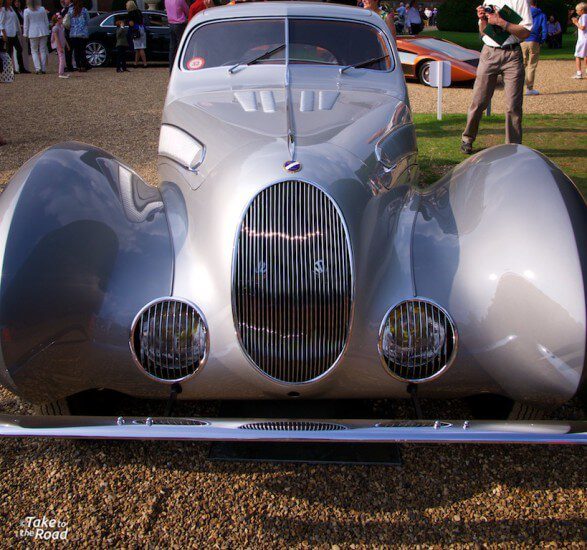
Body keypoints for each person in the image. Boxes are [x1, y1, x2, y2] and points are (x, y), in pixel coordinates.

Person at [460, 1, 532, 154]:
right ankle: (467, 138)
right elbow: (484, 32)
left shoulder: (520, 1)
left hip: (512, 54)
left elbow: (525, 33)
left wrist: (501, 22)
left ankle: (512, 147)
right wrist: (483, 20)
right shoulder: (490, 0)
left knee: (513, 105)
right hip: (489, 53)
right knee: (479, 100)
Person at [521, 0, 547, 95]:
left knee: (521, 65)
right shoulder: (542, 15)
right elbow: (544, 29)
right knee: (532, 65)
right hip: (534, 40)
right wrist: (542, 41)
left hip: (522, 40)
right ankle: (529, 88)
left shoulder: (523, 13)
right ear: (536, 3)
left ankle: (516, 87)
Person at [0, 0, 28, 74]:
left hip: (14, 33)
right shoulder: (3, 10)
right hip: (7, 34)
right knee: (9, 52)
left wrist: (18, 29)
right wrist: (4, 34)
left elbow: (16, 20)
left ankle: (21, 67)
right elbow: (1, 23)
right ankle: (10, 69)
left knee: (19, 49)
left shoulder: (11, 8)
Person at [23, 0, 49, 74]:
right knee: (43, 50)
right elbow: (46, 21)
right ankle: (43, 68)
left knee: (34, 51)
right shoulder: (42, 9)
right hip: (43, 30)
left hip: (32, 32)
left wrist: (25, 34)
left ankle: (38, 68)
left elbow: (26, 24)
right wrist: (47, 29)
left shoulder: (26, 11)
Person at [165, 0, 188, 71]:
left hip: (171, 23)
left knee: (172, 48)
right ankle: (180, 67)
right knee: (181, 46)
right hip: (180, 24)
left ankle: (171, 69)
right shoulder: (180, 0)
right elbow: (187, 10)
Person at [67, 0, 89, 72]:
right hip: (82, 33)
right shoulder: (84, 10)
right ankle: (83, 66)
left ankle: (78, 66)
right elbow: (88, 21)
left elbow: (68, 21)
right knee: (82, 50)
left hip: (73, 33)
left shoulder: (70, 10)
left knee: (76, 51)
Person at [126, 1, 146, 68]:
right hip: (142, 28)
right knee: (139, 47)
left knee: (140, 48)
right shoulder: (139, 11)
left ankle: (145, 63)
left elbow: (131, 23)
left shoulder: (130, 13)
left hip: (136, 30)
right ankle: (135, 63)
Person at [571, 2, 587, 78]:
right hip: (585, 38)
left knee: (577, 56)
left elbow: (583, 27)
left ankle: (579, 73)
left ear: (582, 10)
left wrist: (575, 22)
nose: (576, 12)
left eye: (577, 10)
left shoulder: (583, 16)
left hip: (582, 40)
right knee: (586, 55)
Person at [50, 12, 68, 78]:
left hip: (62, 44)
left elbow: (63, 37)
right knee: (61, 58)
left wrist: (67, 45)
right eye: (60, 18)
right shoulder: (55, 28)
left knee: (63, 58)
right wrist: (59, 47)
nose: (61, 19)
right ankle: (61, 73)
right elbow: (56, 38)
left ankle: (62, 71)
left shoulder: (61, 27)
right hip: (59, 45)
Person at [59, 0, 73, 71]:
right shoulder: (65, 8)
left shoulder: (69, 8)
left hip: (68, 30)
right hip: (66, 30)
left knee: (68, 49)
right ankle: (69, 65)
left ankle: (69, 65)